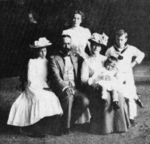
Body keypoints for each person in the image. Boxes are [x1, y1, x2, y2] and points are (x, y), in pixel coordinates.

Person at [7, 37, 63, 137]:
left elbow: (50, 77)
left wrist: (48, 86)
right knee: (38, 98)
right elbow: (30, 79)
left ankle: (53, 127)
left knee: (52, 97)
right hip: (32, 86)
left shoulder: (48, 61)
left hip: (44, 85)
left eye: (45, 50)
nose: (43, 53)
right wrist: (37, 87)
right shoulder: (32, 62)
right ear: (37, 52)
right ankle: (37, 129)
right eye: (41, 51)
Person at [81, 32, 130, 134]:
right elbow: (84, 80)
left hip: (110, 84)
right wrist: (96, 81)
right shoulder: (86, 61)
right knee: (105, 97)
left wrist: (113, 78)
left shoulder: (105, 59)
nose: (95, 48)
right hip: (95, 86)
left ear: (101, 47)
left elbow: (116, 71)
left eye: (98, 45)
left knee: (119, 96)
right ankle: (105, 127)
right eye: (93, 45)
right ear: (90, 45)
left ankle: (118, 126)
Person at [49, 35, 89, 135]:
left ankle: (68, 123)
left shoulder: (75, 57)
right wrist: (66, 87)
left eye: (68, 43)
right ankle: (64, 127)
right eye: (64, 43)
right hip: (61, 87)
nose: (66, 46)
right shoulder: (53, 58)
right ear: (60, 44)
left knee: (85, 101)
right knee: (68, 97)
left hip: (74, 87)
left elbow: (88, 62)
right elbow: (55, 77)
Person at [105, 29, 145, 125]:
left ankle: (131, 117)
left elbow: (141, 54)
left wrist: (133, 63)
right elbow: (105, 60)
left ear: (126, 39)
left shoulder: (130, 48)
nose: (120, 42)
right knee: (120, 95)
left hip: (128, 75)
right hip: (117, 75)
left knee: (130, 95)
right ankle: (122, 117)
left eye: (122, 39)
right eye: (118, 39)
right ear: (115, 38)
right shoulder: (110, 50)